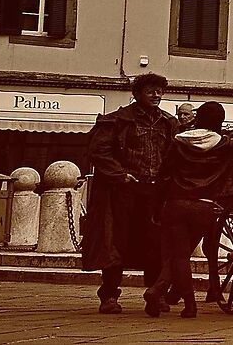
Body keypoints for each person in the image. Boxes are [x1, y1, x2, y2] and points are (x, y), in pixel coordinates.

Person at [83, 72, 179, 313]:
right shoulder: (116, 120)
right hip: (122, 191)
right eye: (150, 91)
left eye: (159, 91)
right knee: (115, 242)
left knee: (156, 243)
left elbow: (174, 155)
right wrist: (120, 175)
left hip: (154, 191)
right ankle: (109, 296)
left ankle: (155, 294)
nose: (156, 95)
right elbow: (99, 152)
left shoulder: (168, 122)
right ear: (137, 94)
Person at [150, 102, 233, 318]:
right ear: (220, 121)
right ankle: (163, 293)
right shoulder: (224, 143)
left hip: (176, 203)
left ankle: (186, 303)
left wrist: (155, 206)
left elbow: (163, 175)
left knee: (179, 256)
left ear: (198, 118)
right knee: (182, 254)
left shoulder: (178, 142)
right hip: (204, 206)